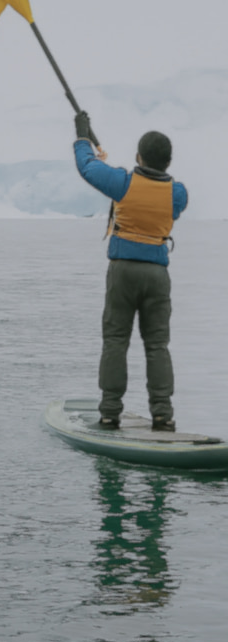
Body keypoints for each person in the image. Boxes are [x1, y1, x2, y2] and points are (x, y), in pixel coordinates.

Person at [73, 114, 187, 431]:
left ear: (138, 157)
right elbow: (166, 197)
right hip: (157, 274)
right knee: (157, 345)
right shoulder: (178, 193)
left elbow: (87, 167)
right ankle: (162, 416)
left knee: (115, 341)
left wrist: (82, 137)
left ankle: (110, 414)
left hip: (123, 271)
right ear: (168, 161)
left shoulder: (123, 183)